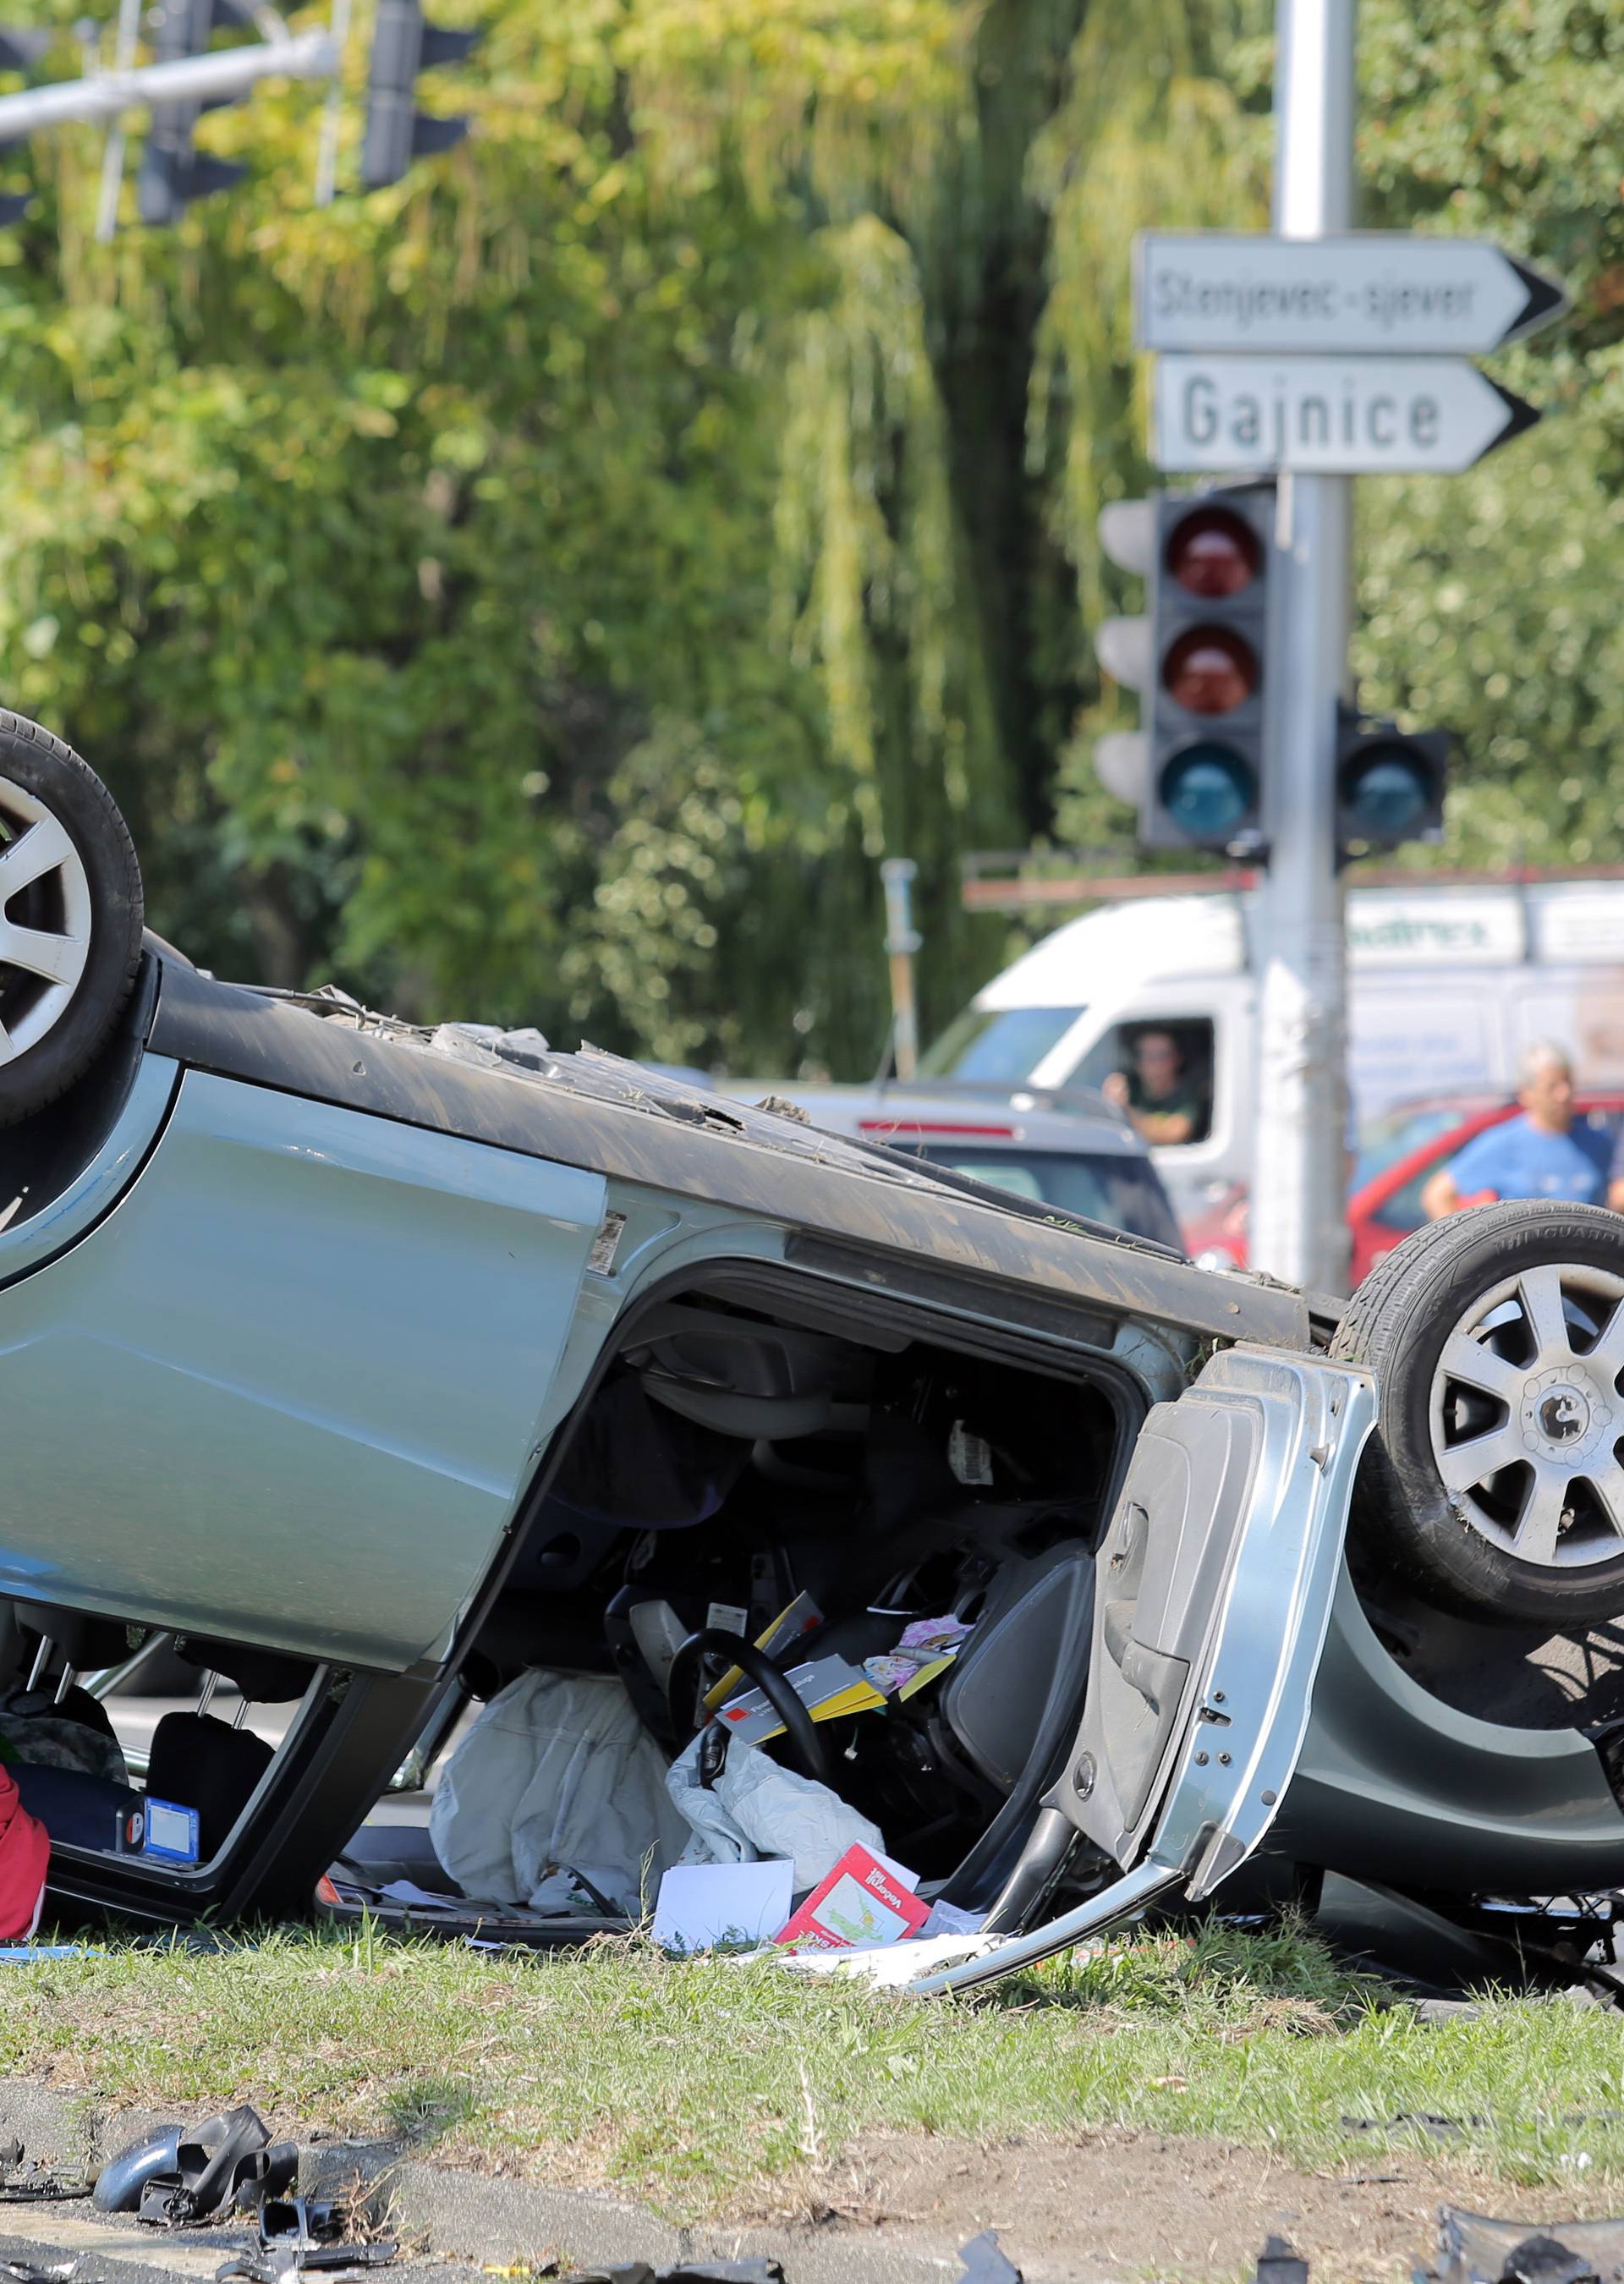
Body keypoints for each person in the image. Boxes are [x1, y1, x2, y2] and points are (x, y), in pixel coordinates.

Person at [1421, 1042, 1609, 1218]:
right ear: (1526, 1094)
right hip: (1526, 1251)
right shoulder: (1503, 1142)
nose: (1564, 1094)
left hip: (1585, 1251)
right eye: (1552, 1087)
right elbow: (1437, 1195)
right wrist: (1468, 1248)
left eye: (1567, 1083)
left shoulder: (1598, 1142)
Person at [1101, 1029, 1208, 1147]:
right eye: (1149, 1056)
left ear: (1177, 1059)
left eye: (1163, 1056)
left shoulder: (1189, 1094)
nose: (1157, 1064)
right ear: (1137, 1063)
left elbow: (1174, 1135)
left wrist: (1124, 1111)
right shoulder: (1127, 1087)